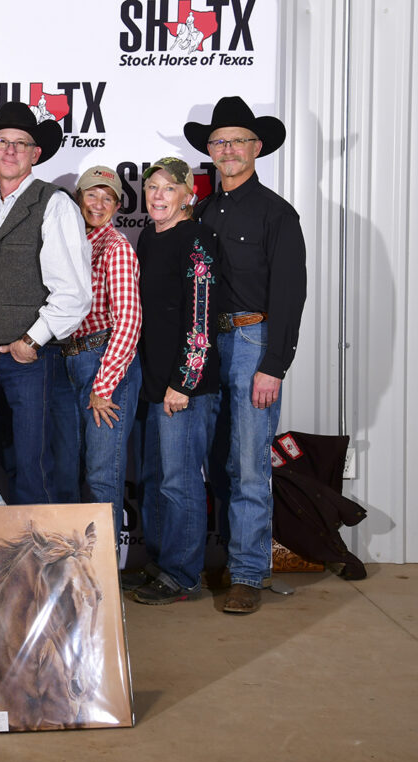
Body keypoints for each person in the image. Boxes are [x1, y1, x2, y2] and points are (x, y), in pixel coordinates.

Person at [184, 96, 307, 614]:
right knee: (207, 458)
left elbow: (290, 293)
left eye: (238, 140)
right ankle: (202, 563)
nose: (229, 149)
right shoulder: (204, 209)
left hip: (253, 341)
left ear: (257, 148)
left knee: (249, 464)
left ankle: (249, 573)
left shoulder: (278, 213)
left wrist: (273, 365)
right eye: (219, 142)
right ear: (209, 151)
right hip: (204, 343)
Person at [0, 102, 93, 504]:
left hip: (31, 359)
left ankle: (47, 564)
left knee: (37, 467)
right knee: (12, 462)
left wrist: (31, 341)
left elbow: (73, 292)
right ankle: (22, 557)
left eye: (21, 143)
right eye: (1, 141)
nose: (9, 150)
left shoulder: (53, 203)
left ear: (36, 154)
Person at [130, 157, 221, 606]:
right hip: (152, 380)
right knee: (153, 477)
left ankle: (183, 575)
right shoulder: (148, 237)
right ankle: (162, 562)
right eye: (152, 188)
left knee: (179, 480)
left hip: (185, 386)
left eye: (169, 188)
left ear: (189, 195)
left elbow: (201, 316)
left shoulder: (197, 239)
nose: (158, 195)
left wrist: (184, 383)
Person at [54, 165, 142, 539]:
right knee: (69, 470)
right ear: (79, 198)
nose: (98, 203)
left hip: (104, 362)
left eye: (108, 197)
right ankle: (75, 571)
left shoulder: (116, 248)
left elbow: (129, 320)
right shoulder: (73, 243)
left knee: (102, 475)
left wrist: (103, 386)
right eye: (92, 194)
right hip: (71, 359)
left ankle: (106, 580)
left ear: (118, 205)